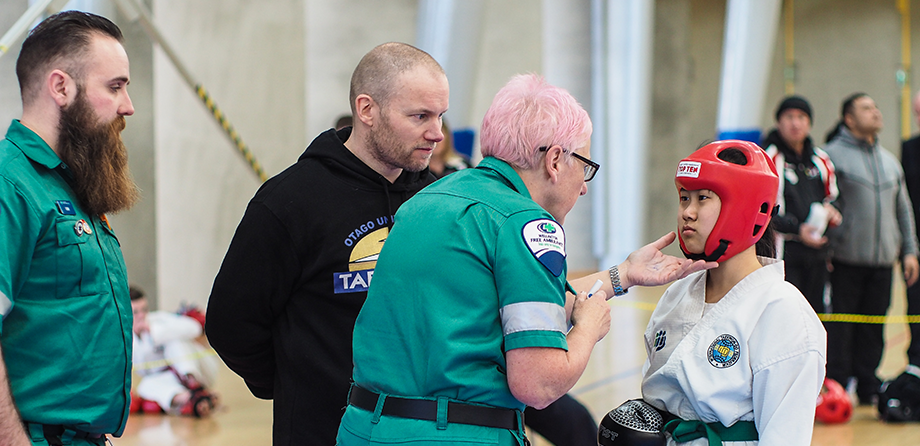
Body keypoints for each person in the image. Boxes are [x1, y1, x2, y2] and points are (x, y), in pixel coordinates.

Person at [336, 74, 715, 445]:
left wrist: (622, 275)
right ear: (554, 161)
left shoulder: (431, 199)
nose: (584, 185)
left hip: (366, 428)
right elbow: (538, 383)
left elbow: (522, 304)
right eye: (584, 166)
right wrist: (587, 329)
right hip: (453, 434)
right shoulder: (526, 223)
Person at [206, 42, 449, 445]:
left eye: (440, 115)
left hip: (419, 430)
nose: (436, 133)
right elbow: (232, 322)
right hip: (320, 430)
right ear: (367, 109)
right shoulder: (290, 201)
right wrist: (295, 381)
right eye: (419, 116)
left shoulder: (440, 201)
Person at [0, 10, 139, 445]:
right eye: (114, 87)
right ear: (61, 86)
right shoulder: (11, 184)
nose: (128, 106)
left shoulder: (74, 184)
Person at [636, 140, 826, 445]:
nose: (688, 212)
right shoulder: (676, 295)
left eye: (703, 198)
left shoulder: (783, 312)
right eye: (684, 198)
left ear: (744, 207)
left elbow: (784, 437)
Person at [824, 92, 920, 405]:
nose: (876, 112)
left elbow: (903, 210)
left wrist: (909, 251)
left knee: (874, 325)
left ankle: (867, 383)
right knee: (843, 326)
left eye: (876, 107)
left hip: (882, 261)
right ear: (849, 119)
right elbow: (826, 205)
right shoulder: (831, 156)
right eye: (867, 108)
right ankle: (837, 382)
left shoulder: (889, 160)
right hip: (844, 259)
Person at [761, 95, 841, 313]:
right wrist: (798, 229)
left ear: (809, 123)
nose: (795, 123)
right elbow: (762, 211)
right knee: (784, 313)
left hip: (817, 255)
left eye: (801, 117)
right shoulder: (768, 158)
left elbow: (833, 198)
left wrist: (833, 214)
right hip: (781, 254)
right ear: (779, 122)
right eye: (789, 117)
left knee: (815, 315)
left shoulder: (820, 159)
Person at [131, 286, 219, 418]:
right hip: (171, 379)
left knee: (174, 342)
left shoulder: (158, 319)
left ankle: (194, 384)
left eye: (144, 310)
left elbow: (194, 327)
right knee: (144, 386)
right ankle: (192, 399)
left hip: (200, 370)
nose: (141, 315)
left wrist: (155, 330)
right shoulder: (126, 339)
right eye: (135, 312)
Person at [902, 91, 920, 372]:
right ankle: (916, 365)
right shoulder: (909, 148)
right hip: (917, 245)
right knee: (916, 306)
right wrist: (908, 248)